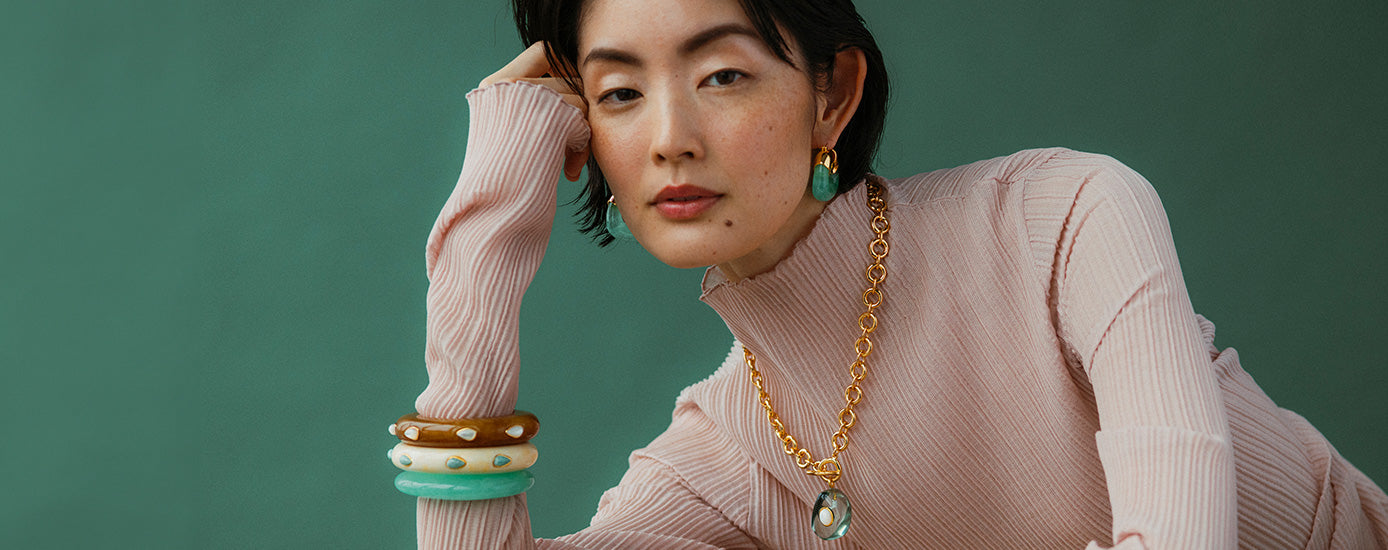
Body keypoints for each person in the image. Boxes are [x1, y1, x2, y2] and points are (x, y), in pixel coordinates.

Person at [389, 0, 1388, 547]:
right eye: (616, 92)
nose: (669, 138)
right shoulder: (725, 457)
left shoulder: (1064, 220)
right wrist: (493, 209)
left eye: (723, 73)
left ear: (834, 95)